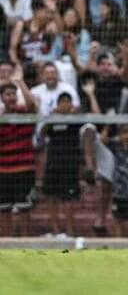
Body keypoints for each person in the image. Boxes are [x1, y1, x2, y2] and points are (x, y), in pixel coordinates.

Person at [41, 92, 84, 237]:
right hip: (53, 164)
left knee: (69, 199)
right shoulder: (52, 120)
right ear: (58, 105)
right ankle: (55, 230)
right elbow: (42, 135)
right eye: (62, 102)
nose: (65, 104)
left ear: (71, 104)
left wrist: (75, 114)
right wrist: (50, 119)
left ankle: (70, 231)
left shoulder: (76, 120)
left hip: (70, 165)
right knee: (51, 197)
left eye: (67, 101)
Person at [0, 80, 38, 236]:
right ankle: (5, 243)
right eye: (7, 94)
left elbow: (33, 105)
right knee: (3, 209)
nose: (11, 97)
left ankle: (26, 242)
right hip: (3, 170)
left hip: (24, 169)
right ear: (2, 98)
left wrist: (20, 82)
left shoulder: (24, 113)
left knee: (24, 208)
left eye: (13, 94)